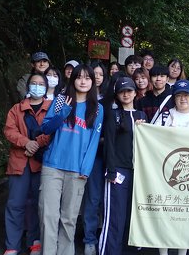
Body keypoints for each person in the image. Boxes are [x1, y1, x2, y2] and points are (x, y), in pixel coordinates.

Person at [38, 64, 104, 255]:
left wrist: (86, 169)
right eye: (79, 77)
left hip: (77, 170)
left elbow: (93, 143)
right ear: (73, 79)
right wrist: (63, 113)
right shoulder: (60, 100)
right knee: (48, 215)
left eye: (87, 78)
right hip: (52, 167)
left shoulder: (97, 109)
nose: (83, 81)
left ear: (92, 82)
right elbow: (46, 129)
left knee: (69, 218)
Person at [3, 73, 52, 255]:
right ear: (28, 86)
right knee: (15, 203)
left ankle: (35, 241)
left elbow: (54, 129)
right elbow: (9, 130)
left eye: (41, 84)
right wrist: (26, 142)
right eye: (34, 83)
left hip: (42, 163)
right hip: (19, 162)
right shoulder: (17, 109)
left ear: (46, 88)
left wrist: (36, 143)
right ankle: (12, 245)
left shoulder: (52, 107)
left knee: (37, 204)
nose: (37, 86)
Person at [99, 77, 146, 255]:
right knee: (114, 216)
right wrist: (110, 170)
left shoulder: (142, 116)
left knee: (131, 215)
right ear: (117, 95)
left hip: (138, 172)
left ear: (135, 92)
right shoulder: (113, 114)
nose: (126, 94)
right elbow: (109, 144)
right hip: (117, 170)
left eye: (129, 91)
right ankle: (109, 251)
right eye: (122, 91)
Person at [162, 80, 189, 255]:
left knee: (186, 214)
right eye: (179, 95)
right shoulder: (166, 115)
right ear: (174, 98)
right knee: (166, 214)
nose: (182, 99)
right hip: (167, 171)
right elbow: (152, 136)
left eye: (186, 95)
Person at [81, 62, 109, 255]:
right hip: (78, 153)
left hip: (101, 155)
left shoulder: (108, 100)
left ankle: (95, 237)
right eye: (94, 74)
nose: (97, 77)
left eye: (100, 74)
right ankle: (86, 237)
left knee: (95, 198)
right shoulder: (78, 99)